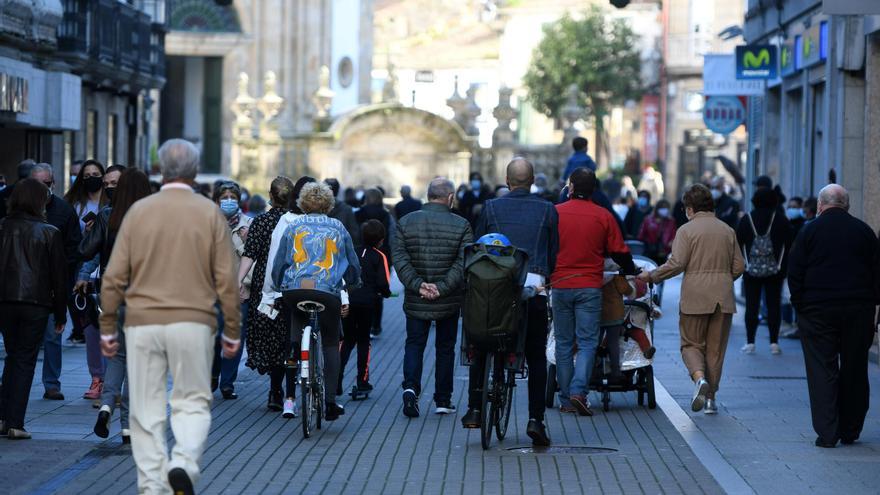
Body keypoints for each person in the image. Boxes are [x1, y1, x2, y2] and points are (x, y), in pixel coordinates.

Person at [99, 139, 241, 494]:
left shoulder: (139, 212)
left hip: (142, 322)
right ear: (194, 172)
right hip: (193, 321)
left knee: (146, 408)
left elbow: (114, 275)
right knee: (192, 400)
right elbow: (226, 277)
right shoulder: (209, 213)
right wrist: (233, 329)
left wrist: (107, 325)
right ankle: (184, 462)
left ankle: (151, 486)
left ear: (161, 170)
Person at [462, 157, 557, 445]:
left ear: (507, 181)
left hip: (494, 289)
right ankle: (535, 419)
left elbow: (478, 249)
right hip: (534, 286)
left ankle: (476, 409)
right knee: (536, 353)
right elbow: (553, 251)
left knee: (481, 343)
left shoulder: (491, 207)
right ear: (532, 181)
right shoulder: (548, 209)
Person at [787, 184, 880, 448]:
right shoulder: (864, 232)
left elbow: (795, 271)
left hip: (817, 310)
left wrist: (799, 304)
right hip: (858, 310)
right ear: (847, 205)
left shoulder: (809, 231)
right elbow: (877, 273)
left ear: (820, 205)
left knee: (821, 369)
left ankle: (828, 433)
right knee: (855, 368)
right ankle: (850, 429)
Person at [639, 184, 744, 415]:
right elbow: (739, 266)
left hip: (695, 296)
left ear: (689, 208)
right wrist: (724, 280)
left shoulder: (686, 231)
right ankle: (711, 399)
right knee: (715, 349)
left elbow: (677, 264)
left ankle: (699, 380)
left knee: (691, 344)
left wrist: (652, 275)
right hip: (722, 298)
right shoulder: (727, 230)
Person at [271, 181, 361, 421]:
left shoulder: (294, 225)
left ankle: (297, 352)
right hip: (326, 290)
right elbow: (352, 262)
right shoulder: (338, 227)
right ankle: (330, 401)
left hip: (295, 289)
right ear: (329, 204)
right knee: (331, 343)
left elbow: (279, 262)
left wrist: (278, 284)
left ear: (302, 203)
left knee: (297, 327)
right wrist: (353, 281)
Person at [552, 167, 636, 416]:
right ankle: (579, 392)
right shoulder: (603, 216)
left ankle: (566, 399)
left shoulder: (555, 213)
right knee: (588, 342)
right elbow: (620, 252)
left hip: (560, 284)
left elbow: (545, 246)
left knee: (564, 343)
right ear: (594, 191)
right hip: (590, 286)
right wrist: (630, 270)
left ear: (571, 188)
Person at [393, 177, 473, 418]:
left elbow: (400, 259)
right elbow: (464, 262)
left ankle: (410, 389)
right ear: (450, 198)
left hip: (417, 298)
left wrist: (418, 286)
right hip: (447, 299)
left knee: (415, 343)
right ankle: (443, 399)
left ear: (428, 195)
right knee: (445, 348)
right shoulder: (462, 225)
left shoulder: (405, 222)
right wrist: (442, 287)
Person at [83, 167, 152, 443]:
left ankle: (107, 406)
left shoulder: (107, 216)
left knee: (116, 357)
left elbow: (85, 251)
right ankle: (127, 427)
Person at [0, 179, 68, 439]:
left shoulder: (2, 227)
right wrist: (61, 314)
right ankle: (15, 422)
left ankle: (3, 416)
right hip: (36, 303)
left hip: (5, 301)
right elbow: (58, 278)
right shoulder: (49, 232)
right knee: (25, 359)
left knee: (12, 355)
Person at [238, 176, 301, 417]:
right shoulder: (298, 222)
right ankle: (287, 391)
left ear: (271, 196)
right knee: (289, 338)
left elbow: (249, 255)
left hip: (265, 289)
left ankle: (275, 391)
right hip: (291, 286)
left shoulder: (261, 222)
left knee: (272, 339)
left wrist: (238, 282)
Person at [28, 163, 82, 401]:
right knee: (22, 340)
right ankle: (14, 382)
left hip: (51, 286)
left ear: (53, 184)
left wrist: (61, 270)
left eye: (46, 184)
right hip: (24, 285)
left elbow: (75, 247)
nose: (42, 189)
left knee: (53, 336)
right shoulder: (17, 210)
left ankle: (51, 383)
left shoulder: (64, 210)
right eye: (37, 184)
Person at [736, 187, 793, 355]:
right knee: (773, 305)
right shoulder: (781, 219)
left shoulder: (747, 219)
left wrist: (744, 264)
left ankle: (750, 342)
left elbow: (738, 242)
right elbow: (789, 243)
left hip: (751, 270)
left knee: (751, 306)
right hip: (775, 270)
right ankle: (774, 343)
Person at [210, 181, 253, 400]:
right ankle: (212, 374)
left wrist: (244, 241)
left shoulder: (249, 225)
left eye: (232, 197)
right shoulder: (208, 224)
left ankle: (227, 382)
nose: (228, 201)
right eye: (224, 198)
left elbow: (255, 260)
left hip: (240, 292)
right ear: (216, 201)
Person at [338, 219, 391, 395]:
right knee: (363, 342)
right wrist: (385, 293)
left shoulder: (351, 252)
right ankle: (362, 380)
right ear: (381, 239)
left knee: (346, 341)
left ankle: (336, 379)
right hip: (368, 304)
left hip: (349, 301)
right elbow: (383, 283)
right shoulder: (379, 256)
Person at [355, 188, 393, 336]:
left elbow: (353, 232)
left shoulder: (358, 213)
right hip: (381, 253)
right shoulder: (386, 214)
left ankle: (362, 323)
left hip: (361, 253)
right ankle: (376, 325)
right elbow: (392, 234)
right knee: (378, 291)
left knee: (362, 288)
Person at [637, 199, 677, 265]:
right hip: (650, 252)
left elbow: (674, 235)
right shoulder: (648, 220)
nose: (665, 210)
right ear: (657, 208)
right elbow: (641, 236)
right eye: (663, 207)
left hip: (665, 253)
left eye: (666, 208)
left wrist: (672, 242)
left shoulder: (671, 221)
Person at [325, 178, 361, 248]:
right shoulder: (347, 209)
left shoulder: (316, 209)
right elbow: (354, 234)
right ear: (338, 191)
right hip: (341, 252)